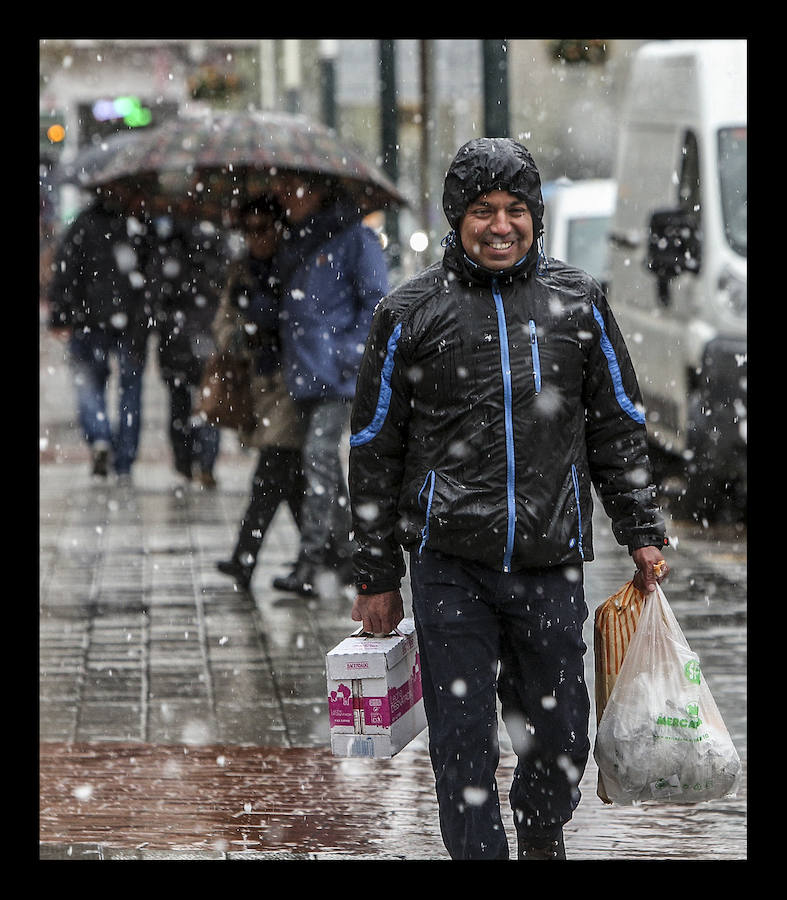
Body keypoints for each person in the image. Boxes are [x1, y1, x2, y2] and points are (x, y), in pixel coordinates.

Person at [347, 138, 670, 860]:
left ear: (535, 217)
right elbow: (374, 448)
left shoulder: (578, 304)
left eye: (515, 210)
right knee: (460, 745)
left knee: (561, 739)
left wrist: (640, 528)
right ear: (455, 218)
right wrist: (373, 576)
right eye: (483, 211)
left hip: (550, 559)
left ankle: (540, 834)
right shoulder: (407, 314)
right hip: (447, 566)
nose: (500, 226)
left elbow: (616, 425)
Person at [268, 172, 390, 599]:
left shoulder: (354, 239)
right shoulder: (295, 240)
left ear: (318, 191)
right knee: (322, 465)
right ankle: (344, 554)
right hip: (304, 373)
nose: (284, 195)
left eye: (292, 187)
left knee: (319, 458)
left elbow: (377, 300)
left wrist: (350, 354)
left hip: (337, 375)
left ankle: (313, 558)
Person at [214, 195, 306, 590]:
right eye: (249, 230)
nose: (257, 238)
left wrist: (275, 315)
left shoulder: (296, 266)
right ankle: (330, 557)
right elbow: (222, 327)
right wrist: (242, 331)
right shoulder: (242, 273)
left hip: (292, 384)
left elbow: (309, 320)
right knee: (293, 482)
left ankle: (244, 558)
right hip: (258, 384)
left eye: (264, 228)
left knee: (272, 472)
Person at [48, 177, 155, 482]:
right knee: (130, 389)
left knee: (89, 384)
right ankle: (123, 460)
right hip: (128, 320)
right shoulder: (136, 224)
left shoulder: (84, 225)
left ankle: (99, 436)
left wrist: (63, 313)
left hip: (90, 319)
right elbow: (152, 274)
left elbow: (66, 270)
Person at [148, 192, 229, 488]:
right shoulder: (216, 242)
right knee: (208, 402)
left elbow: (156, 289)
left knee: (179, 403)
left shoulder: (169, 245)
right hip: (205, 333)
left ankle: (184, 463)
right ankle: (205, 464)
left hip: (176, 335)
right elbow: (224, 284)